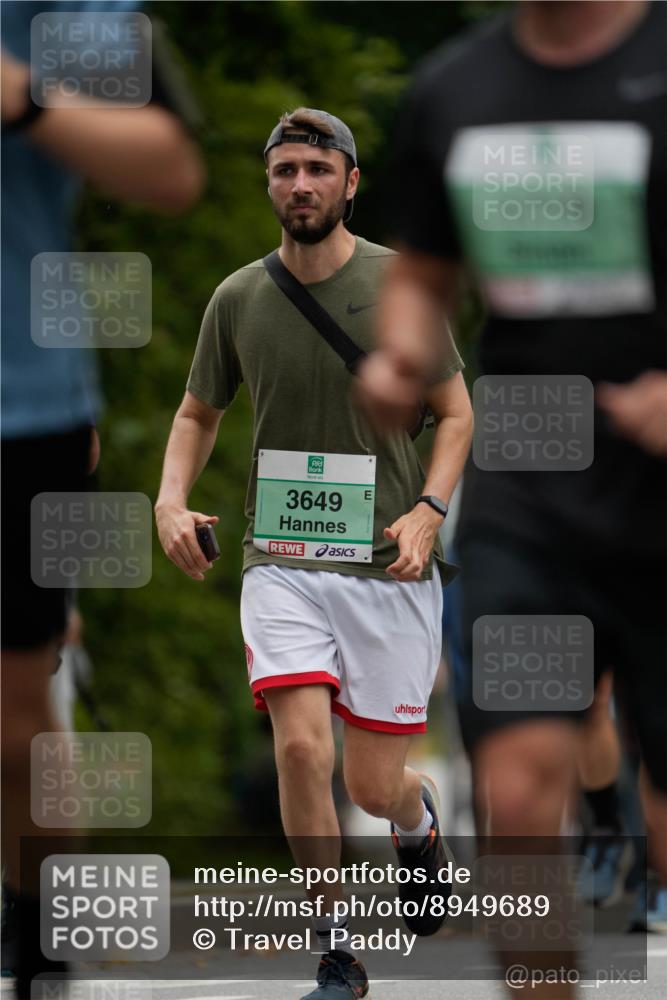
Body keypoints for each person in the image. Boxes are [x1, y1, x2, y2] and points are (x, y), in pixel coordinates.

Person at [360, 1, 666, 995]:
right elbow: (422, 273)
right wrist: (402, 349)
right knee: (515, 786)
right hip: (529, 495)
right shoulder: (455, 90)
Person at [155, 107, 472, 999]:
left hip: (386, 565)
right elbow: (195, 414)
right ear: (269, 184)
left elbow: (456, 414)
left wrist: (426, 512)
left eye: (317, 170)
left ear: (350, 183)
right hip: (280, 561)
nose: (300, 185)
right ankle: (335, 948)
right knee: (301, 752)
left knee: (371, 787)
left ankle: (414, 825)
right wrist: (169, 499)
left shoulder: (399, 287)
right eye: (285, 169)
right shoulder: (238, 298)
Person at [1, 3, 205, 995]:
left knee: (10, 723)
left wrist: (25, 100)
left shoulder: (55, 14)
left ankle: (42, 954)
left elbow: (171, 168)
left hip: (18, 403)